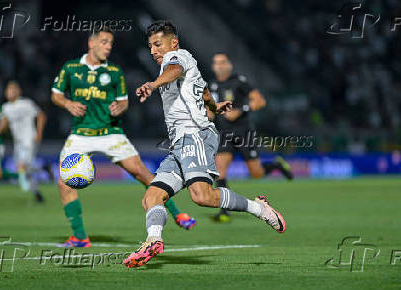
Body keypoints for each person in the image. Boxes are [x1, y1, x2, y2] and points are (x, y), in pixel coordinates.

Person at [123, 20, 286, 268]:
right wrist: (214, 107)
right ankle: (153, 241)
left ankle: (259, 208)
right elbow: (204, 90)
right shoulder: (187, 65)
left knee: (201, 196)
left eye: (158, 44)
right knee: (151, 197)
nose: (153, 51)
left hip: (195, 135)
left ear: (173, 43)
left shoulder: (177, 57)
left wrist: (153, 84)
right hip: (179, 142)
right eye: (150, 46)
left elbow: (175, 70)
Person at [51, 27, 196, 248]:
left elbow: (124, 101)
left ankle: (178, 214)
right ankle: (80, 237)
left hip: (111, 133)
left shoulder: (115, 71)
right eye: (105, 42)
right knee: (64, 183)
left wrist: (120, 107)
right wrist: (68, 103)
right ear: (92, 43)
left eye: (111, 43)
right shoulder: (71, 69)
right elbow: (56, 95)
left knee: (142, 173)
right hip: (80, 134)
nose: (109, 47)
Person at [209, 53, 293, 222]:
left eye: (223, 62)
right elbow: (211, 111)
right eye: (216, 63)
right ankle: (224, 211)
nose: (219, 65)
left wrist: (241, 109)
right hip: (225, 133)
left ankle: (276, 164)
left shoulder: (239, 81)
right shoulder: (211, 85)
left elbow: (260, 101)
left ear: (229, 65)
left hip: (243, 131)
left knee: (256, 173)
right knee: (220, 169)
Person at [0, 81, 46, 203]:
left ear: (19, 92)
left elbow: (41, 115)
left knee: (22, 167)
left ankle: (27, 184)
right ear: (6, 93)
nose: (11, 92)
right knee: (26, 170)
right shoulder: (5, 108)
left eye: (14, 89)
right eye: (9, 90)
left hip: (30, 139)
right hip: (18, 142)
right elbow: (3, 124)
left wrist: (39, 133)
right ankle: (38, 189)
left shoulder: (26, 103)